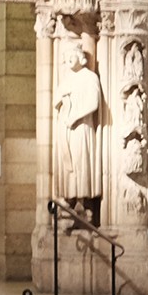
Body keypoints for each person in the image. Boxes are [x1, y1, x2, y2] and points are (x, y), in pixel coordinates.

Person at [54, 41, 102, 203]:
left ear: (80, 57)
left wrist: (75, 116)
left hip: (81, 128)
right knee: (69, 168)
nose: (68, 58)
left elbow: (94, 103)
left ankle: (84, 204)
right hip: (66, 128)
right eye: (66, 56)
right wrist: (62, 100)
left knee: (81, 164)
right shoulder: (66, 79)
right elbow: (56, 101)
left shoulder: (90, 77)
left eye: (71, 55)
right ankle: (70, 203)